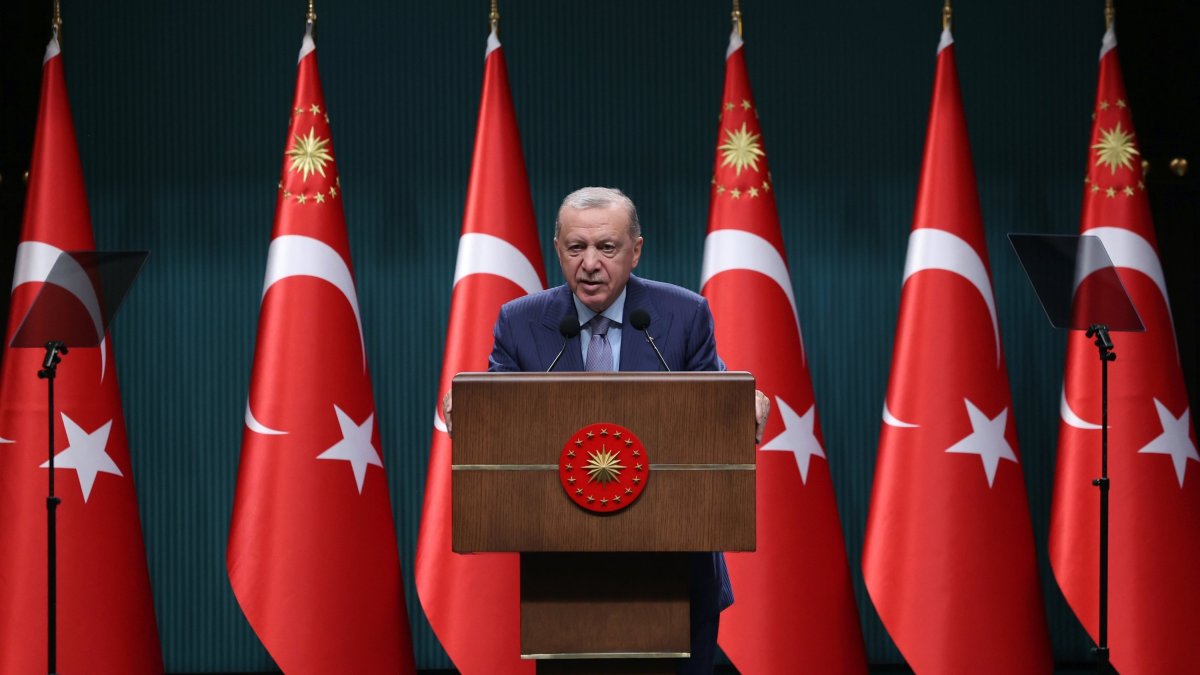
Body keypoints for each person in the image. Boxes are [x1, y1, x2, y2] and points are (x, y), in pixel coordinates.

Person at [447, 186, 768, 674]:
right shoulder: (520, 322)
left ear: (635, 250)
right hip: (566, 585)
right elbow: (497, 415)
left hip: (677, 574)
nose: (590, 263)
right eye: (576, 248)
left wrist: (743, 408)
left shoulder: (683, 314)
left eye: (607, 248)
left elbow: (714, 403)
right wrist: (471, 413)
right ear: (558, 249)